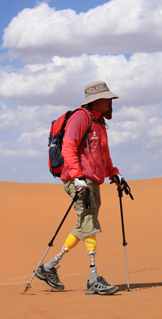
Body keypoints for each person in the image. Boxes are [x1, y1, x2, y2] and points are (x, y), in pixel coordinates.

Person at [35, 81, 128, 295]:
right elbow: (68, 147)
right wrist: (77, 177)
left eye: (110, 99)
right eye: (106, 99)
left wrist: (114, 173)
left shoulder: (100, 122)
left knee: (84, 224)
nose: (109, 103)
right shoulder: (81, 117)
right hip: (79, 182)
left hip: (93, 181)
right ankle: (94, 278)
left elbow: (103, 154)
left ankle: (49, 268)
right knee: (89, 221)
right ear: (95, 100)